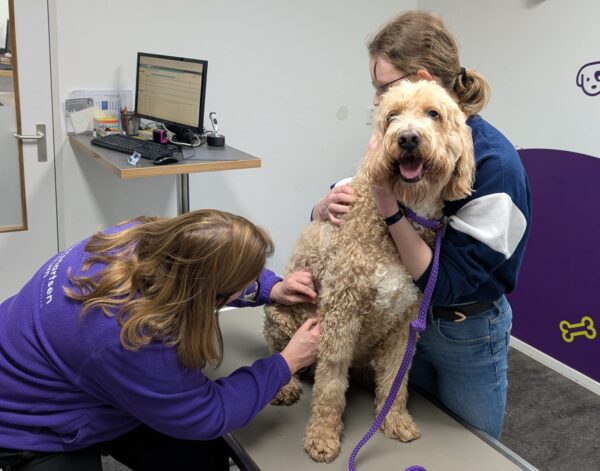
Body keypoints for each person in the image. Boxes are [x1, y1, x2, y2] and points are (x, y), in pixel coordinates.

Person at [312, 10, 531, 440]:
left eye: (383, 87)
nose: (376, 100)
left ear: (422, 80)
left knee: (468, 446)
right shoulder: (409, 142)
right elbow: (359, 188)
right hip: (406, 320)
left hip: (464, 329)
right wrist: (324, 206)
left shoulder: (496, 168)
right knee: (414, 439)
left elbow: (443, 284)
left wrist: (388, 207)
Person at [0, 209, 320, 470]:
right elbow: (205, 413)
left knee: (202, 459)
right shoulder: (132, 336)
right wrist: (287, 362)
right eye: (243, 283)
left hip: (72, 373)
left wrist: (270, 287)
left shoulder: (138, 237)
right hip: (25, 421)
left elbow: (203, 264)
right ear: (206, 295)